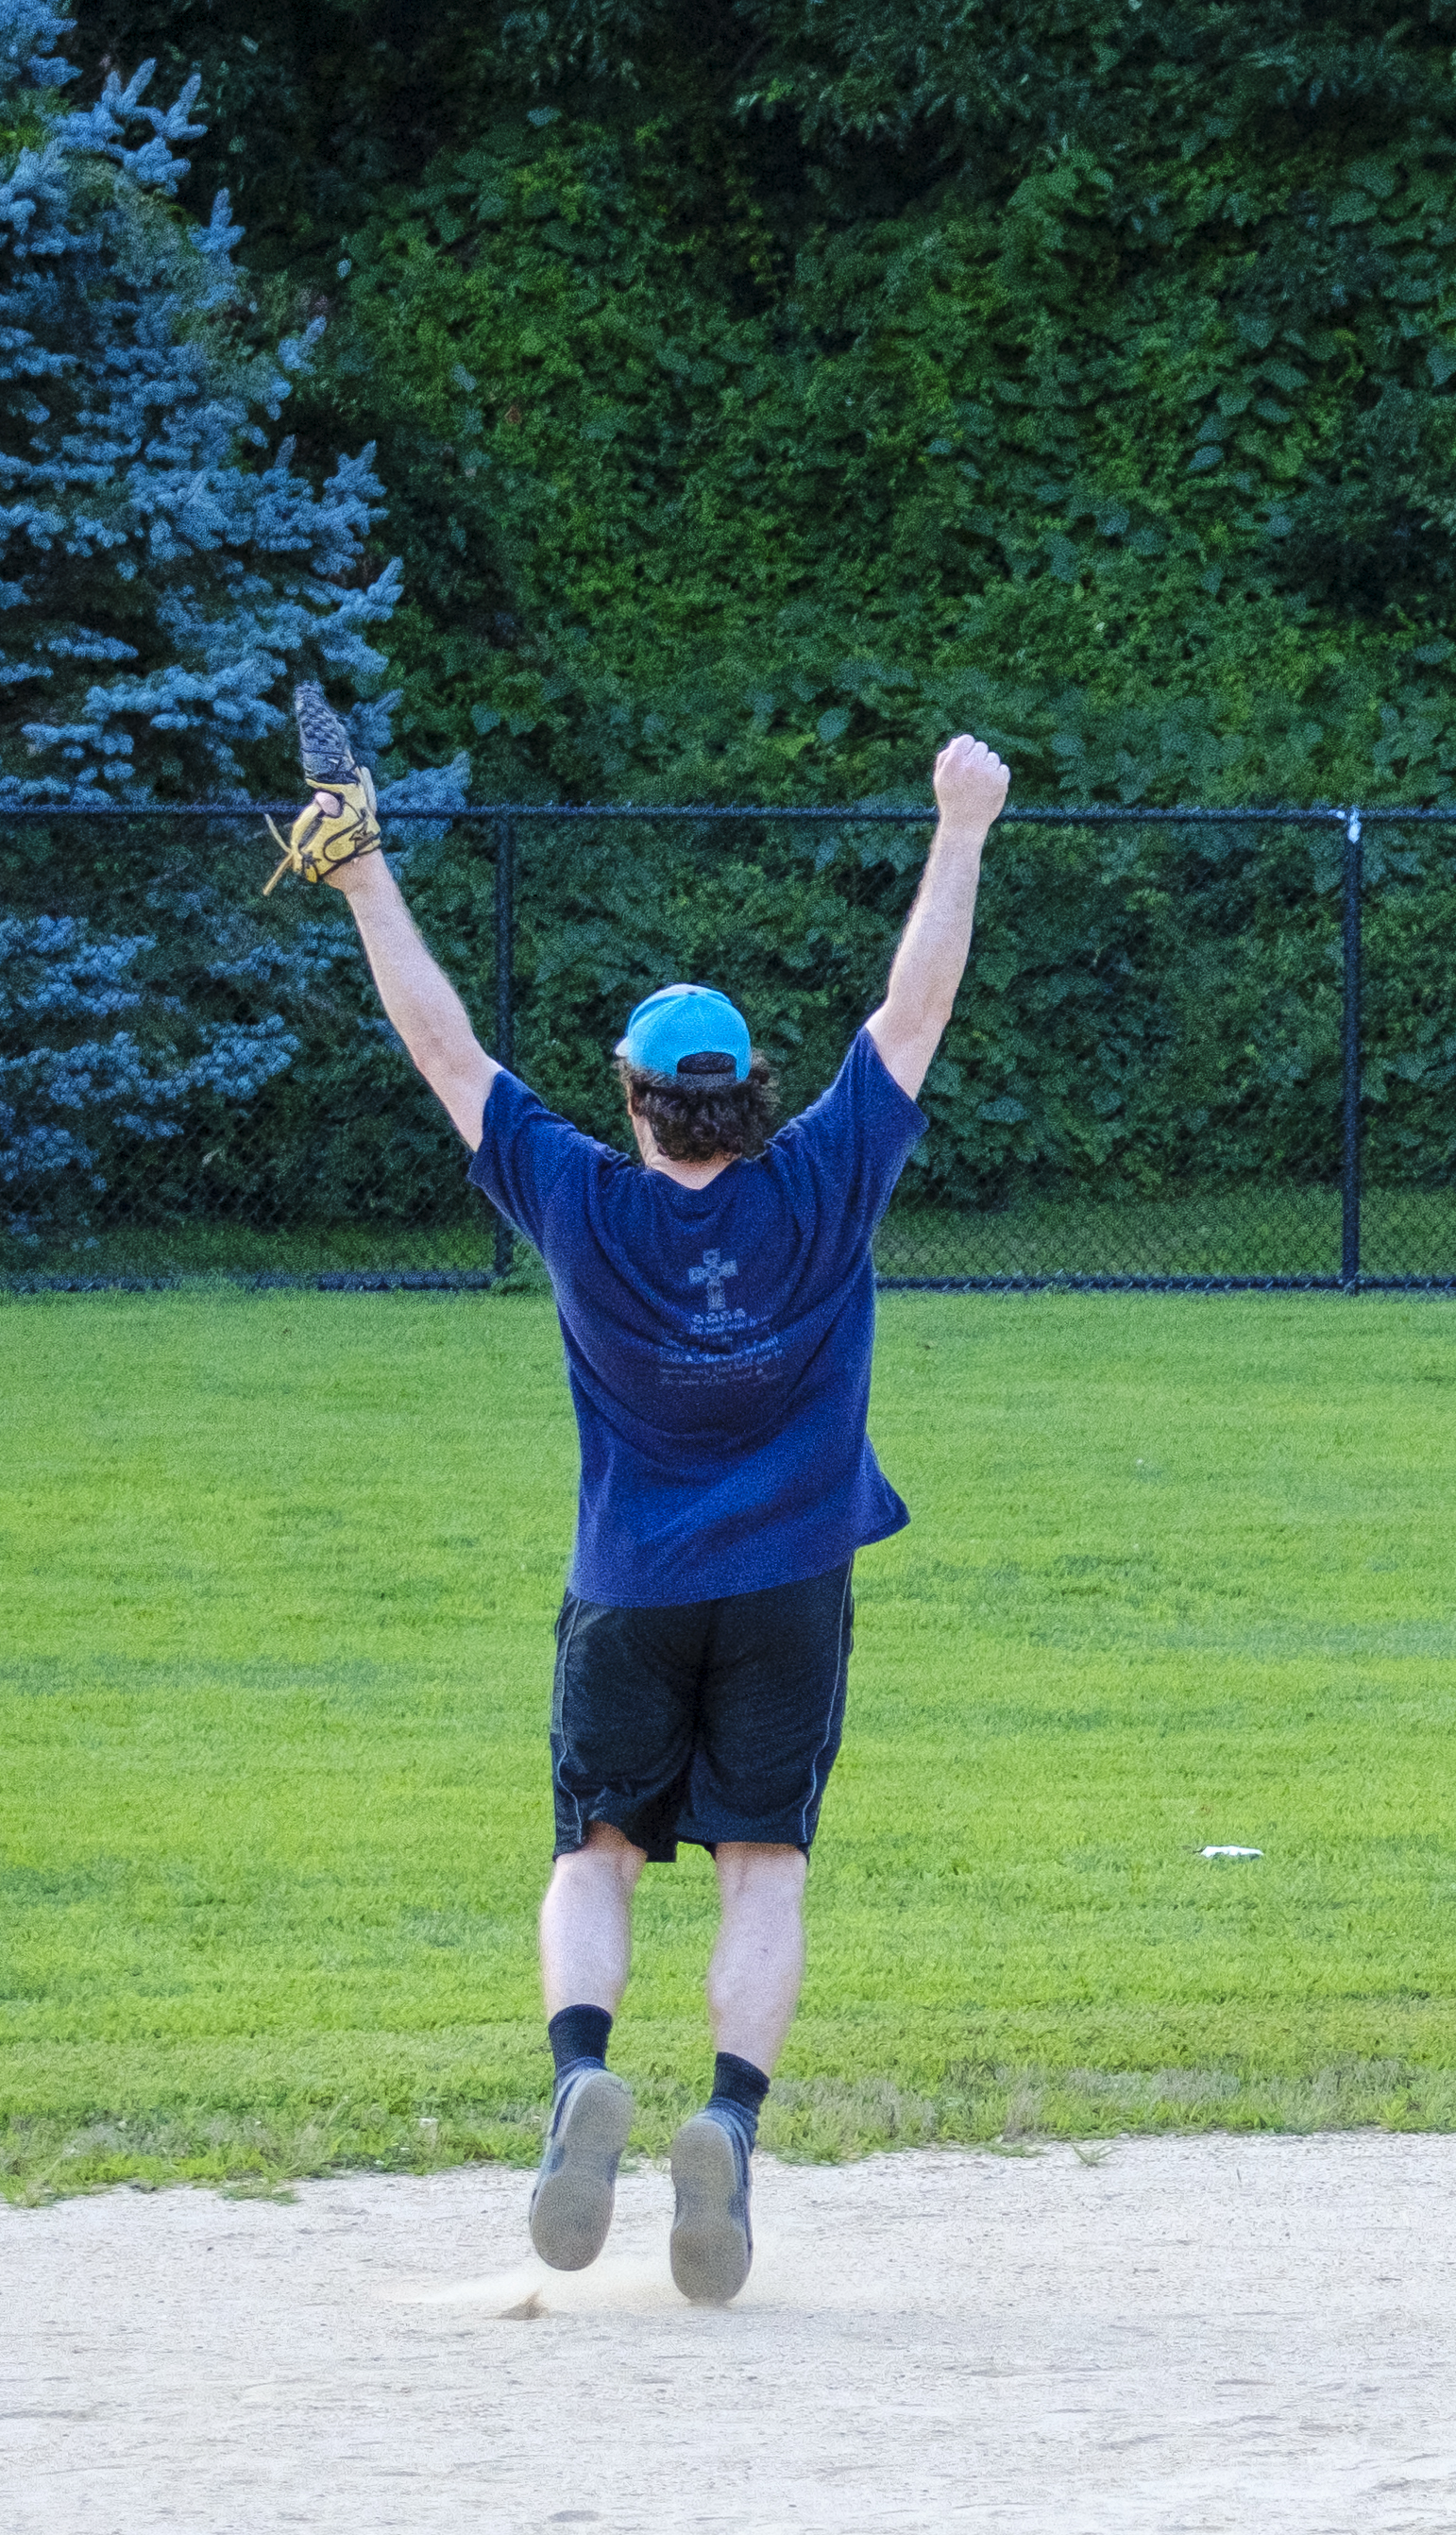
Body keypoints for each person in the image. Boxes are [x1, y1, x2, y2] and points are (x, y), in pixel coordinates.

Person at [317, 731, 1007, 2305]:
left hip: (629, 1585)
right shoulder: (820, 1180)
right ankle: (730, 2124)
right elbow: (914, 1010)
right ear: (748, 1095)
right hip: (789, 1586)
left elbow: (445, 1048)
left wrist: (365, 877)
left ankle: (582, 2074)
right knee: (764, 1864)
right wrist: (960, 826)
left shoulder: (583, 1199)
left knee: (598, 1851)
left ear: (631, 1099)